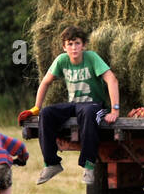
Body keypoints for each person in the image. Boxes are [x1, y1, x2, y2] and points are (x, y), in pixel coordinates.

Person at [20, 25, 120, 185]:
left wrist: (115, 109)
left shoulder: (91, 57)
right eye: (70, 44)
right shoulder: (62, 60)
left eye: (77, 43)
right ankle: (51, 163)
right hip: (75, 105)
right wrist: (36, 108)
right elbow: (45, 82)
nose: (74, 48)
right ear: (64, 47)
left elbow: (111, 80)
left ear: (84, 45)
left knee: (88, 113)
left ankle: (88, 165)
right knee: (46, 114)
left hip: (95, 105)